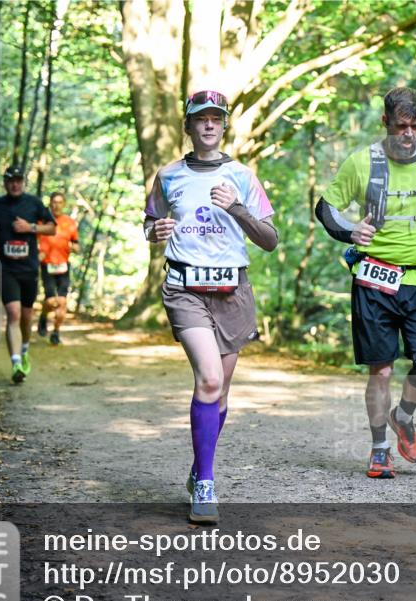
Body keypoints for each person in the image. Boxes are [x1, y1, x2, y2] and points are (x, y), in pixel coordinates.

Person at [143, 90, 277, 524]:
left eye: (216, 118)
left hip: (233, 292)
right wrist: (155, 230)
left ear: (223, 125)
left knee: (220, 393)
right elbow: (151, 222)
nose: (208, 125)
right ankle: (206, 484)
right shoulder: (168, 176)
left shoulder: (242, 175)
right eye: (200, 118)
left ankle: (199, 465)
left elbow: (270, 240)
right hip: (185, 288)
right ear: (188, 126)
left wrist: (236, 208)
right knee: (210, 379)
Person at [315, 87, 416, 480]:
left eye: (414, 126)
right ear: (385, 123)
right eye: (400, 127)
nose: (408, 134)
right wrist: (350, 232)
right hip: (374, 280)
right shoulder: (361, 163)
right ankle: (380, 450)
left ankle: (404, 415)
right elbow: (325, 207)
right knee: (380, 370)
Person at [0, 166, 56, 383]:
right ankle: (16, 362)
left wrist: (30, 227)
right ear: (5, 183)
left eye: (18, 180)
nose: (15, 184)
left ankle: (24, 350)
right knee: (13, 313)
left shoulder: (34, 203)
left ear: (23, 182)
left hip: (29, 268)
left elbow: (52, 228)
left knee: (26, 317)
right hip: (6, 269)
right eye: (11, 181)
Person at [37, 191, 80, 345]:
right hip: (47, 265)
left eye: (60, 202)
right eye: (54, 202)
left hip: (63, 266)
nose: (57, 205)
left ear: (64, 204)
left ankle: (56, 332)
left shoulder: (70, 222)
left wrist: (73, 247)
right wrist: (37, 253)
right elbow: (32, 240)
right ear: (50, 204)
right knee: (50, 302)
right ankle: (43, 316)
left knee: (61, 302)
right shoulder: (42, 222)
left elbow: (76, 244)